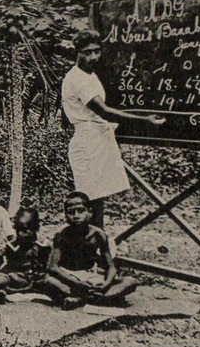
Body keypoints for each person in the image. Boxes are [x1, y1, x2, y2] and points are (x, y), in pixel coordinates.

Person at [62, 38, 165, 228]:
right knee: (89, 202)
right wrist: (145, 120)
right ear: (76, 52)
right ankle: (89, 248)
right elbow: (105, 111)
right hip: (88, 142)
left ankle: (96, 245)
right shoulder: (78, 79)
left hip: (98, 140)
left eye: (96, 51)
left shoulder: (89, 75)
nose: (93, 56)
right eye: (87, 52)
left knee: (98, 200)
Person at [43, 191, 138, 309]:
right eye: (71, 212)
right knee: (48, 282)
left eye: (81, 210)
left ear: (90, 212)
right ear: (66, 215)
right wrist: (77, 284)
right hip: (70, 278)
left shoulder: (98, 234)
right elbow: (52, 267)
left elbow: (110, 266)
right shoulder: (61, 235)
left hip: (91, 277)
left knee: (130, 281)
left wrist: (106, 283)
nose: (76, 215)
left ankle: (82, 299)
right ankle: (101, 298)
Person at [0, 207, 49, 294]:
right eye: (18, 229)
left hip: (36, 278)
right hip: (17, 277)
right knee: (2, 279)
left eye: (25, 230)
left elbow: (47, 267)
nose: (21, 233)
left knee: (48, 281)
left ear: (35, 228)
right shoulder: (13, 245)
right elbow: (2, 264)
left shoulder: (42, 245)